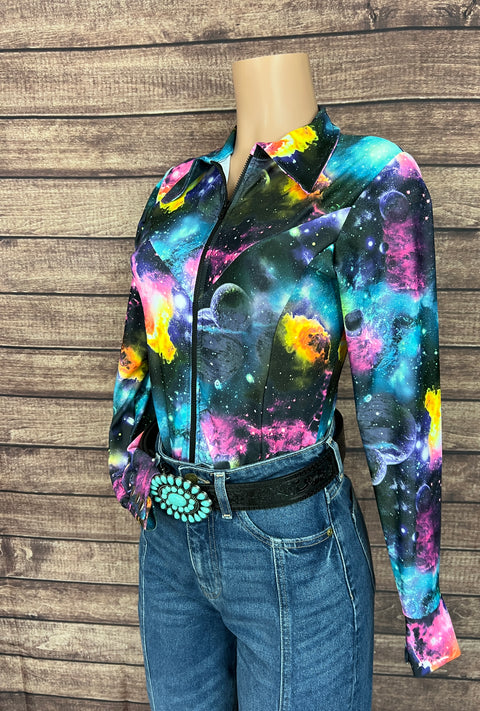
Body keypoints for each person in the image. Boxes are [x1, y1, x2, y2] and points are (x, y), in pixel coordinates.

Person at [108, 51, 461, 711]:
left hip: (292, 547)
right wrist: (129, 465)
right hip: (170, 543)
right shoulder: (178, 190)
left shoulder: (367, 179)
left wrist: (421, 601)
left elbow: (401, 404)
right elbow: (140, 340)